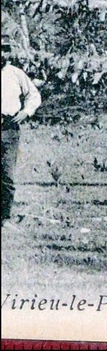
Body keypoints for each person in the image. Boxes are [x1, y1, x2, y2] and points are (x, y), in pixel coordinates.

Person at [1, 35, 42, 228]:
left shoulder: (15, 73)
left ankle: (4, 218)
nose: (3, 53)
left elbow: (33, 94)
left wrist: (26, 112)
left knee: (7, 176)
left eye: (6, 49)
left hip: (8, 129)